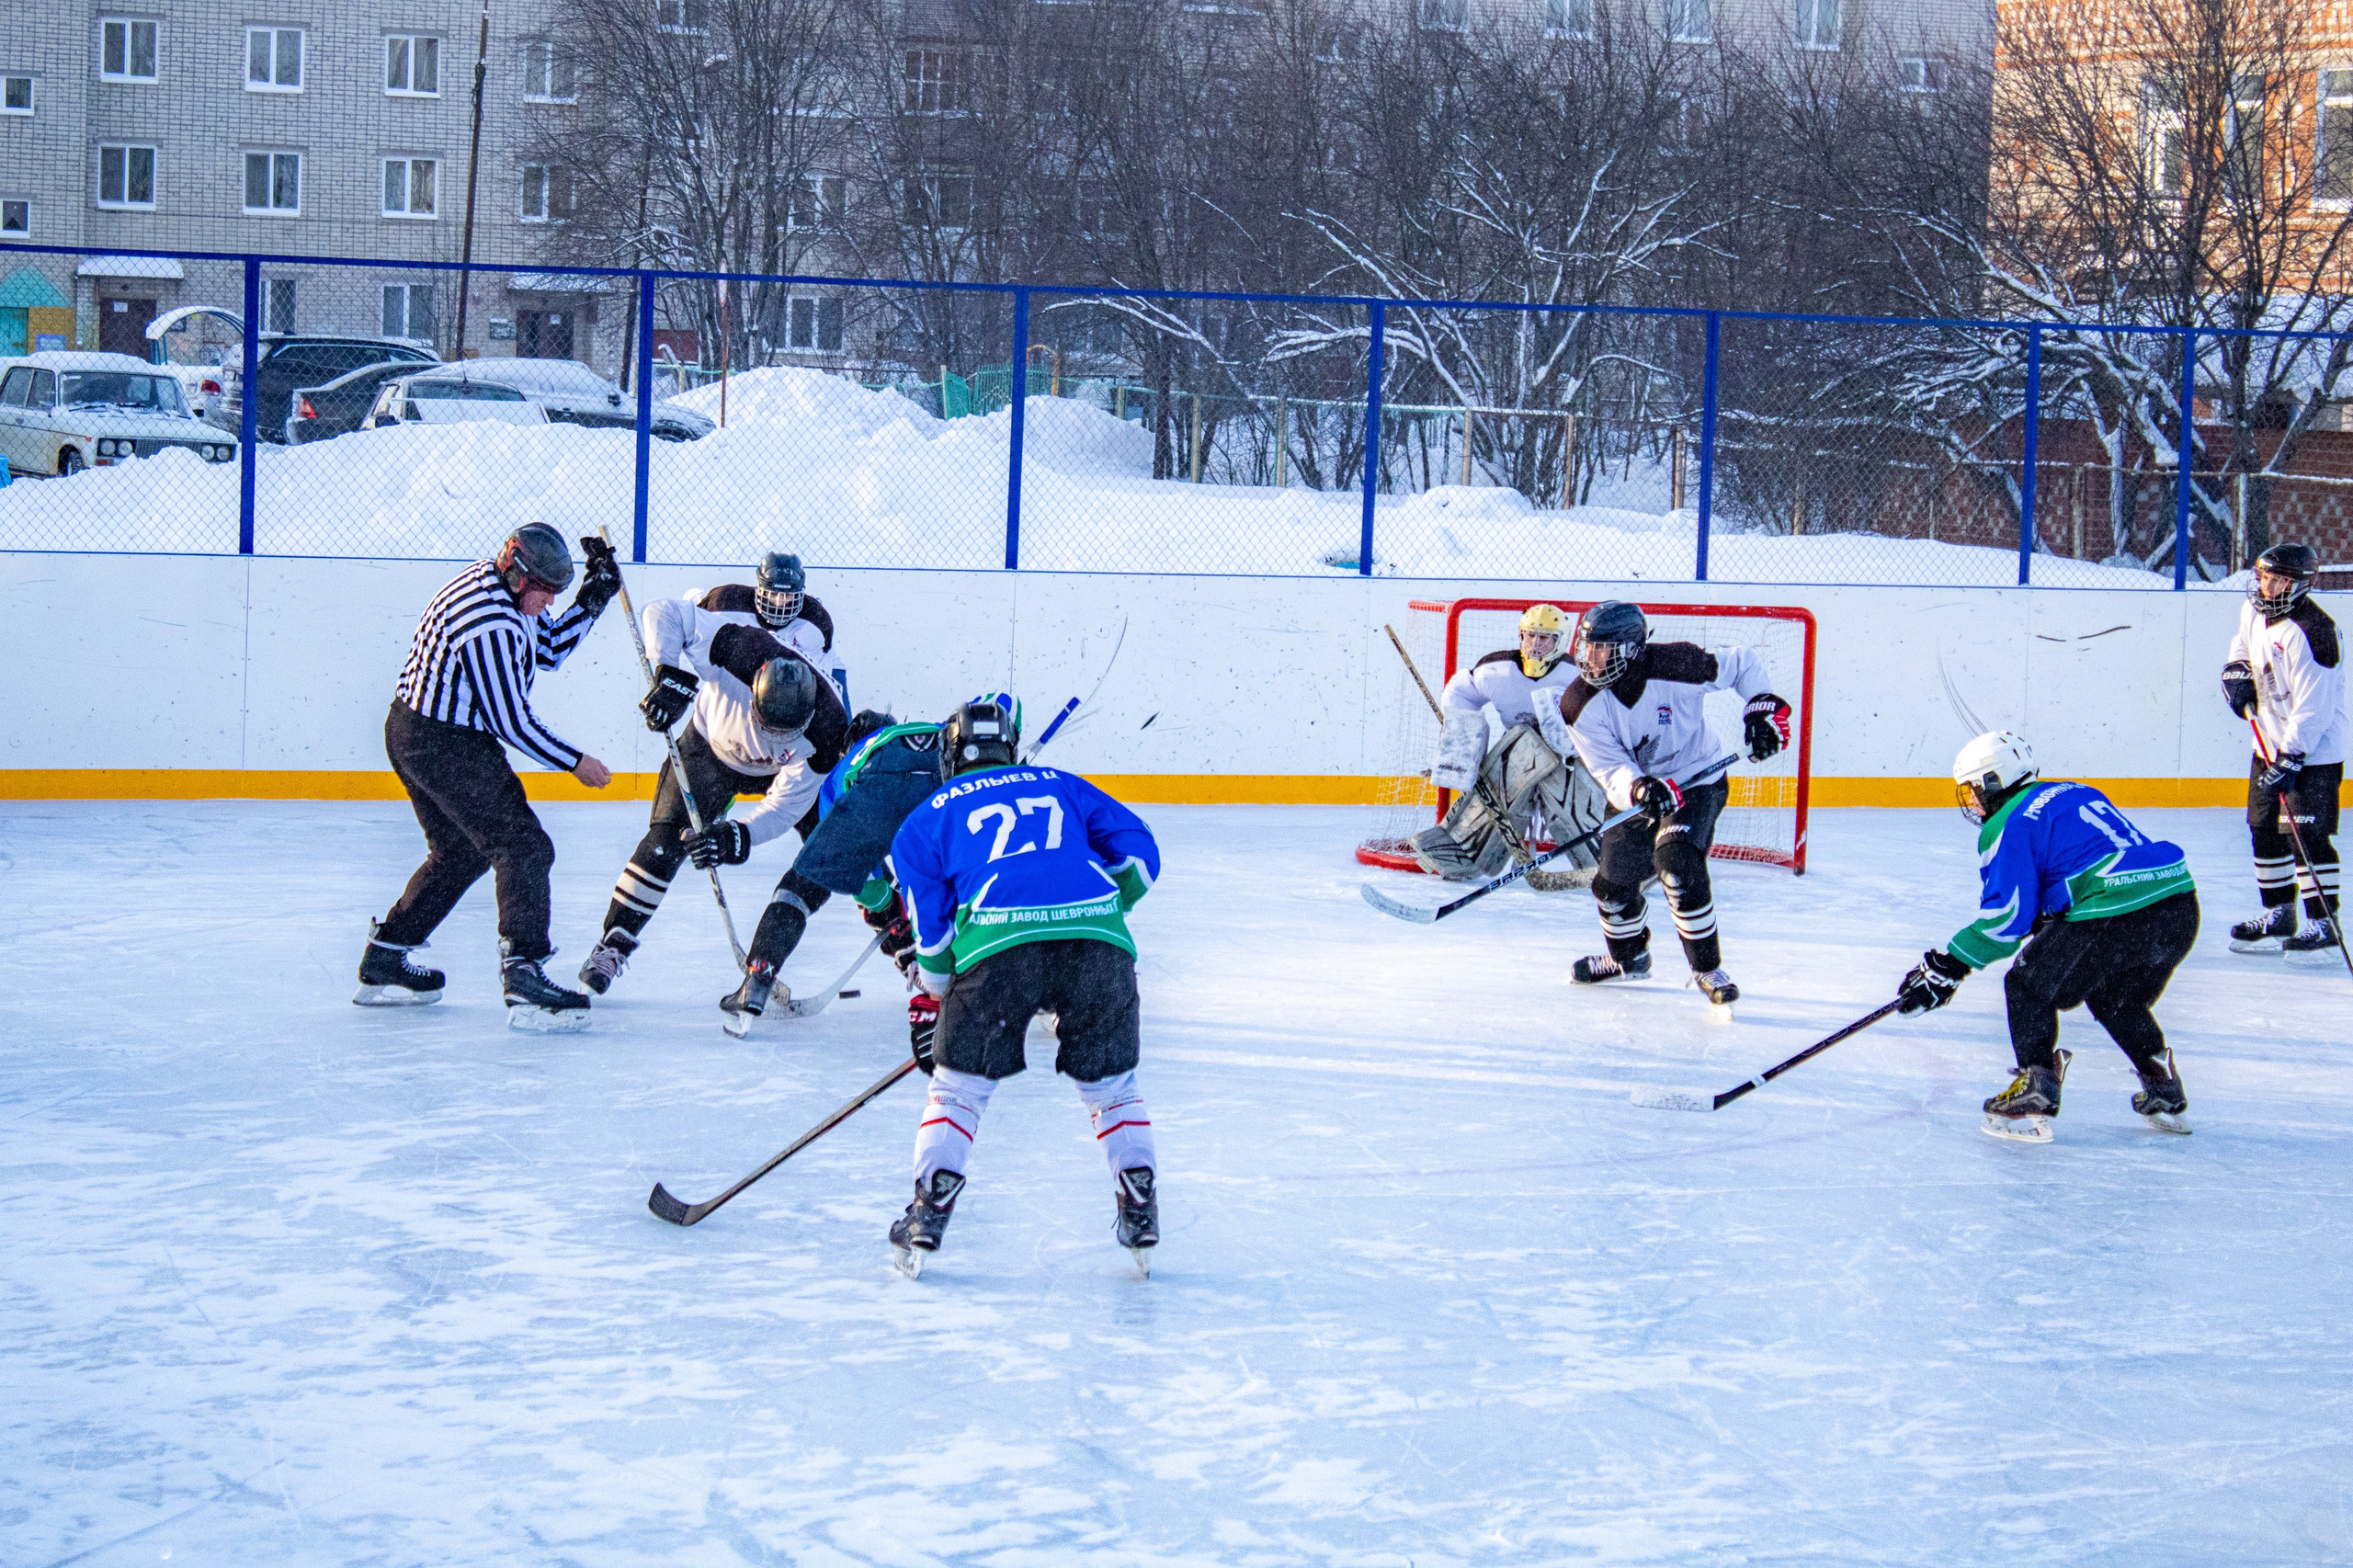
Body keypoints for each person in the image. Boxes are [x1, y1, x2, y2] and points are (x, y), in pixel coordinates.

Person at [883, 696, 1163, 1279]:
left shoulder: (926, 816)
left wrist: (942, 987)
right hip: (1097, 942)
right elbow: (1141, 858)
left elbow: (931, 944)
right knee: (1113, 1088)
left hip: (996, 951)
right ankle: (1138, 1203)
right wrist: (1099, 910)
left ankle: (928, 1210)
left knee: (958, 1090)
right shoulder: (1062, 784)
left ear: (950, 756)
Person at [356, 523, 620, 1029]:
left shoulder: (507, 592)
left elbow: (549, 650)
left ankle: (385, 955)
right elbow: (511, 721)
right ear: (519, 576)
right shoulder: (487, 621)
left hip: (423, 733)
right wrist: (576, 762)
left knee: (460, 853)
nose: (549, 602)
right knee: (524, 847)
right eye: (547, 592)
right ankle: (524, 974)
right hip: (442, 743)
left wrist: (594, 594)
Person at [1893, 731, 2199, 1142]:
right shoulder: (2072, 791)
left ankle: (2036, 1086)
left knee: (2026, 985)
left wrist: (1952, 963)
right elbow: (2073, 870)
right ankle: (2162, 1084)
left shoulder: (2009, 822)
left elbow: (2007, 919)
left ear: (1993, 781)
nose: (1972, 802)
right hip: (2177, 906)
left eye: (1972, 790)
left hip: (2115, 911)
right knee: (2115, 997)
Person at [574, 597, 851, 994]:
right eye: (767, 726)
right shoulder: (738, 649)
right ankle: (613, 943)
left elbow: (788, 802)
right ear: (753, 691)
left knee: (829, 850)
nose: (770, 740)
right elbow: (663, 611)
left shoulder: (828, 727)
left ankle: (772, 959)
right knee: (665, 842)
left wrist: (742, 836)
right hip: (709, 751)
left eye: (785, 732)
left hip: (782, 772)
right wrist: (667, 671)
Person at [1536, 600, 1790, 1010]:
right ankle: (1627, 959)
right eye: (1586, 647)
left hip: (1698, 780)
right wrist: (1637, 788)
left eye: (1602, 649)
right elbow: (1607, 768)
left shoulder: (1679, 664)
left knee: (1676, 861)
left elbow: (1742, 663)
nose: (1590, 659)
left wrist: (1760, 709)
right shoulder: (1578, 704)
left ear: (1633, 649)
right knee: (1611, 887)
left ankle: (1707, 969)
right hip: (1639, 792)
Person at [709, 709, 945, 1029]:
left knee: (800, 886)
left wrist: (889, 910)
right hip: (945, 783)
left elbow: (871, 889)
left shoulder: (844, 770)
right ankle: (999, 962)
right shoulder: (936, 732)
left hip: (869, 795)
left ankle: (759, 978)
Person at [1408, 603, 1610, 891]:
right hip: (1519, 753)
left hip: (1568, 758)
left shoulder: (1577, 675)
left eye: (1545, 638)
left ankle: (1613, 865)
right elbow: (1461, 693)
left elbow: (1606, 716)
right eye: (1530, 636)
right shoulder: (1496, 670)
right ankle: (1462, 851)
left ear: (1561, 641)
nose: (1536, 645)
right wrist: (1466, 747)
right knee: (1509, 773)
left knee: (1572, 802)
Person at [2222, 541, 2345, 961]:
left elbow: (2316, 707)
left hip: (2313, 752)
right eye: (2263, 576)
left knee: (2304, 834)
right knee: (2262, 827)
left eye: (2278, 579)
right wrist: (2237, 672)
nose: (2267, 585)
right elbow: (2242, 644)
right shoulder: (2253, 611)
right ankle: (2279, 914)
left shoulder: (2316, 631)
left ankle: (2324, 923)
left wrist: (2292, 757)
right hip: (2269, 742)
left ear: (2299, 584)